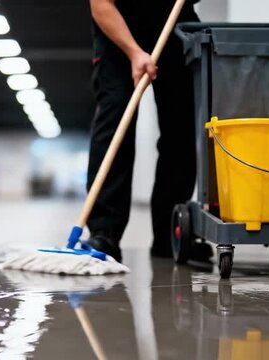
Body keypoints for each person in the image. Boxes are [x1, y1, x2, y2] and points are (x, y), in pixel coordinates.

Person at [85, 0, 211, 262]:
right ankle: (104, 231)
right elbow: (101, 5)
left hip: (175, 24)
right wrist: (134, 52)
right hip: (117, 29)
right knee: (115, 115)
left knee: (181, 126)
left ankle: (171, 232)